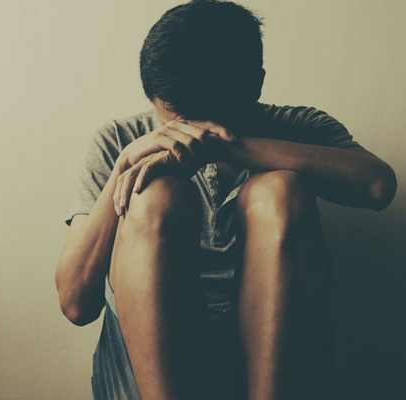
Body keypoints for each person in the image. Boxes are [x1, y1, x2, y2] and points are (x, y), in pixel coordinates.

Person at [55, 1, 397, 399]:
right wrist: (123, 166)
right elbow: (77, 303)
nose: (193, 132)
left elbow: (377, 186)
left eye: (211, 119)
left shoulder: (294, 126)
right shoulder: (119, 140)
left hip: (272, 360)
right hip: (145, 365)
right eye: (178, 118)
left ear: (256, 86)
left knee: (278, 190)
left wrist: (231, 147)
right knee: (154, 196)